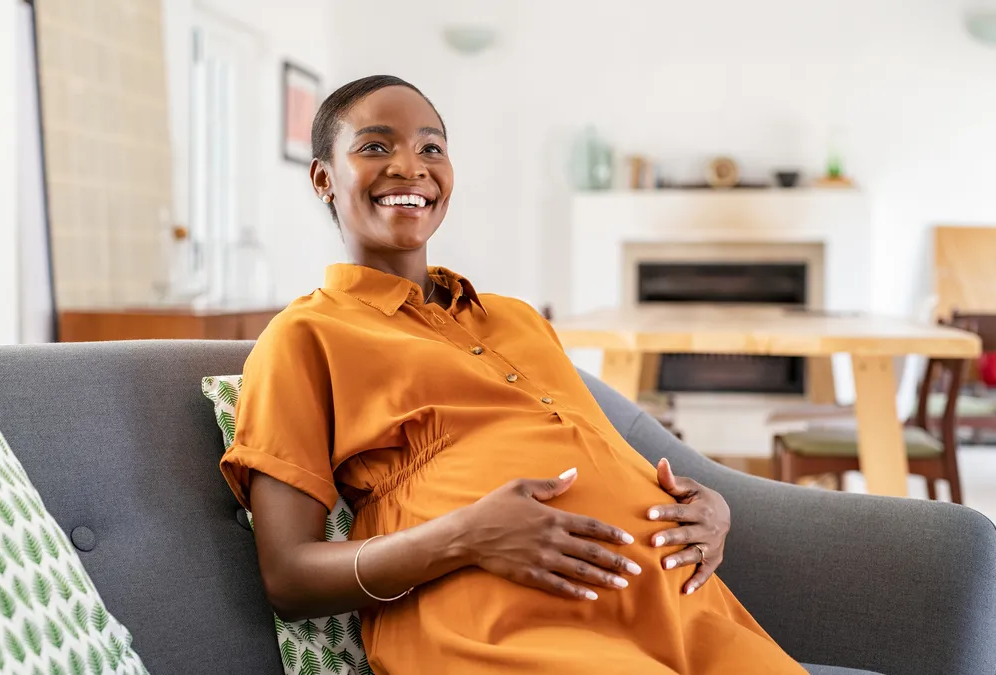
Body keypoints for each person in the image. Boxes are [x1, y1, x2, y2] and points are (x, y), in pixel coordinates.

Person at [220, 75, 804, 675]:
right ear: (323, 178)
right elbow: (288, 577)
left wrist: (707, 506)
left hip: (683, 609)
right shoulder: (304, 336)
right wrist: (468, 535)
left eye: (431, 148)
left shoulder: (517, 318)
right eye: (374, 147)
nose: (410, 167)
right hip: (496, 623)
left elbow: (599, 455)